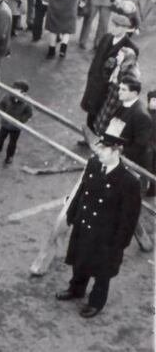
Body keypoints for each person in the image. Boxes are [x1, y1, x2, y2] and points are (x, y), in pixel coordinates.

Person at [56, 134, 141, 318]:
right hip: (85, 224)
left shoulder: (129, 182)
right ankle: (76, 289)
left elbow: (129, 218)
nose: (98, 152)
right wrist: (72, 214)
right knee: (80, 260)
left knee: (102, 272)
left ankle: (96, 302)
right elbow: (82, 190)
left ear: (117, 151)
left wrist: (119, 243)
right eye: (99, 148)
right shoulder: (94, 164)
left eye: (104, 149)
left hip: (106, 236)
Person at [98, 77, 154, 252]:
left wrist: (118, 150)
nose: (119, 91)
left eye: (123, 89)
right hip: (117, 159)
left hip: (133, 166)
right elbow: (114, 127)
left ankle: (138, 238)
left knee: (128, 204)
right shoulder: (123, 106)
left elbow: (141, 144)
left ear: (134, 93)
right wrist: (105, 141)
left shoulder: (141, 115)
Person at [80, 6, 141, 134]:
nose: (112, 28)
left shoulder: (130, 48)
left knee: (102, 117)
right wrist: (92, 75)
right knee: (90, 112)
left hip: (110, 89)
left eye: (117, 26)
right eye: (112, 25)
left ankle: (96, 140)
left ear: (124, 29)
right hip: (95, 82)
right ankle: (88, 137)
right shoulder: (107, 37)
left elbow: (128, 71)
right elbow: (97, 58)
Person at [0, 80, 33, 165]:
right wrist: (3, 113)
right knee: (0, 139)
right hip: (5, 123)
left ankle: (9, 156)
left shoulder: (27, 102)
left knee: (12, 143)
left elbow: (29, 114)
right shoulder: (7, 96)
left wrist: (20, 120)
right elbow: (1, 104)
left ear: (22, 91)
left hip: (16, 127)